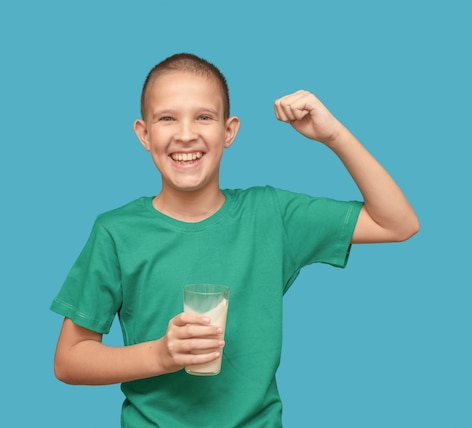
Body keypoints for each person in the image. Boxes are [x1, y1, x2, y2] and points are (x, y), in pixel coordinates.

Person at [51, 52, 419, 427]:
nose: (185, 134)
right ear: (144, 134)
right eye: (167, 118)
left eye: (204, 117)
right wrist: (161, 354)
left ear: (229, 131)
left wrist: (334, 136)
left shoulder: (271, 214)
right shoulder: (116, 231)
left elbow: (396, 223)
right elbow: (69, 359)